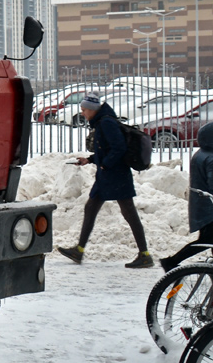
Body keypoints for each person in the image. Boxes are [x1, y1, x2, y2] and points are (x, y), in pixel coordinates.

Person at [57, 93, 153, 268]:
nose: (83, 113)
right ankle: (79, 250)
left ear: (93, 109)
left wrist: (105, 165)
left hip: (115, 176)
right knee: (91, 208)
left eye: (84, 110)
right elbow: (106, 150)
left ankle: (145, 254)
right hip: (108, 176)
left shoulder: (106, 123)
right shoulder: (103, 122)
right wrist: (91, 159)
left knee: (129, 212)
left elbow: (119, 148)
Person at [158, 121, 213, 271]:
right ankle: (171, 261)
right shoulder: (211, 157)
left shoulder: (201, 153)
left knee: (207, 239)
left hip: (202, 206)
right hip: (209, 208)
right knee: (207, 240)